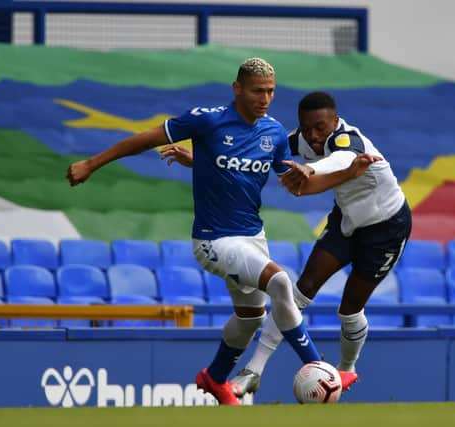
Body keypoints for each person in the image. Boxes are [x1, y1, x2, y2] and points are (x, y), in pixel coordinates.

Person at [66, 59, 360, 405]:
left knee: (251, 318)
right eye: (257, 91)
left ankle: (215, 378)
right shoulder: (207, 120)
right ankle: (316, 366)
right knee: (281, 282)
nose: (265, 98)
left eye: (270, 91)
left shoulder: (275, 133)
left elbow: (294, 185)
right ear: (237, 89)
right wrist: (91, 163)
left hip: (252, 237)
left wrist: (347, 172)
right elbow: (145, 140)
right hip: (213, 239)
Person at [229, 91, 413, 397]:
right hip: (347, 222)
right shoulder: (302, 139)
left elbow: (342, 158)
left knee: (350, 310)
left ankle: (346, 369)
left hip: (387, 228)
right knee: (301, 288)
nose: (313, 136)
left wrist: (311, 168)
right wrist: (206, 159)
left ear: (335, 121)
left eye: (320, 127)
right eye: (306, 128)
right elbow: (256, 151)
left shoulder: (347, 139)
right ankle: (254, 370)